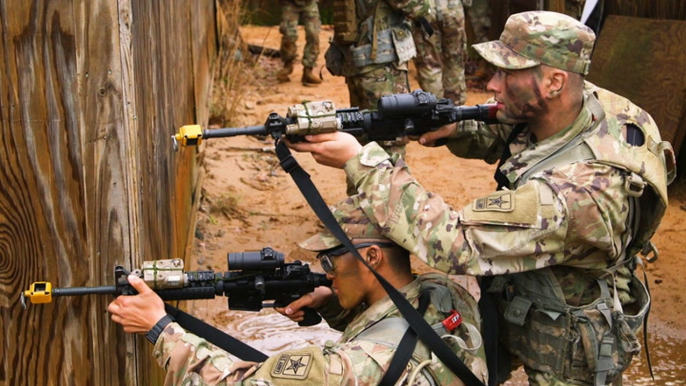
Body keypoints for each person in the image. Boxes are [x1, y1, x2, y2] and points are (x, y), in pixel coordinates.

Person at [287, 11, 675, 386]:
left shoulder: (580, 191)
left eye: (508, 74)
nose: (492, 84)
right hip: (526, 292)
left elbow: (458, 243)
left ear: (555, 81)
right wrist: (458, 126)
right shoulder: (584, 103)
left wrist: (362, 162)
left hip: (569, 339)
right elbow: (525, 138)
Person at [107, 198, 488, 385]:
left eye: (330, 261)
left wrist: (159, 328)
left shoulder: (347, 368)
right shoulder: (448, 294)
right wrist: (335, 305)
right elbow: (397, 326)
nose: (325, 273)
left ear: (372, 257)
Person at [411, 0, 468, 105]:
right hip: (453, 9)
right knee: (455, 59)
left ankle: (435, 107)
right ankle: (456, 106)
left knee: (429, 63)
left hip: (425, 10)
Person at [276, 0, 322, 86]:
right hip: (290, 3)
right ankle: (287, 66)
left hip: (310, 3)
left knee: (313, 35)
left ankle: (308, 70)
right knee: (289, 35)